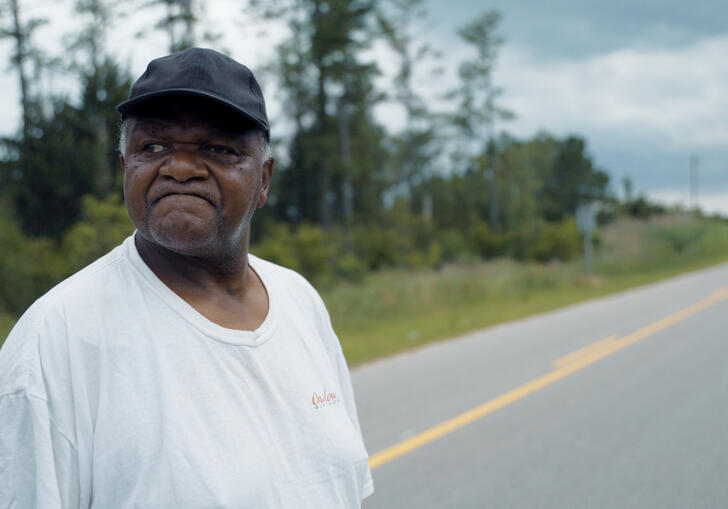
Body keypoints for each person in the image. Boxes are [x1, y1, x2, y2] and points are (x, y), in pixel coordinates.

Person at [0, 47, 373, 508]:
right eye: (152, 147)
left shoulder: (301, 302)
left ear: (264, 180)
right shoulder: (56, 339)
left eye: (218, 149)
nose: (179, 168)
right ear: (125, 167)